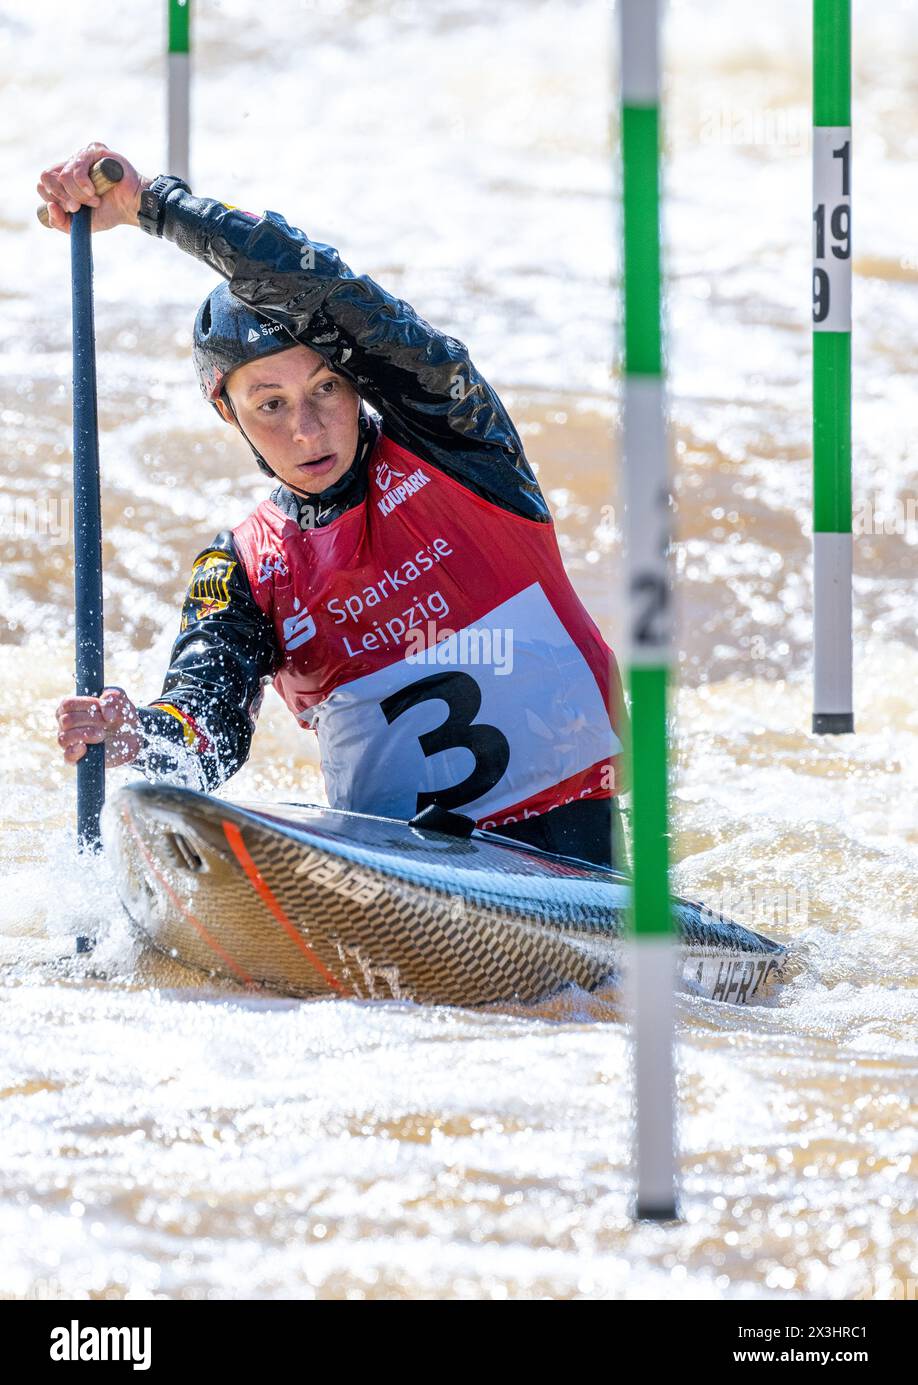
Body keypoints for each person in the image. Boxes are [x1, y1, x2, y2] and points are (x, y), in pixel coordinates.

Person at [42, 142, 630, 869]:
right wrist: (137, 737)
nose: (308, 428)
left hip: (574, 850)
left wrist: (151, 206)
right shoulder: (244, 568)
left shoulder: (456, 439)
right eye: (270, 404)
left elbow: (321, 287)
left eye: (326, 388)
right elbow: (206, 726)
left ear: (356, 381)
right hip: (393, 878)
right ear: (227, 414)